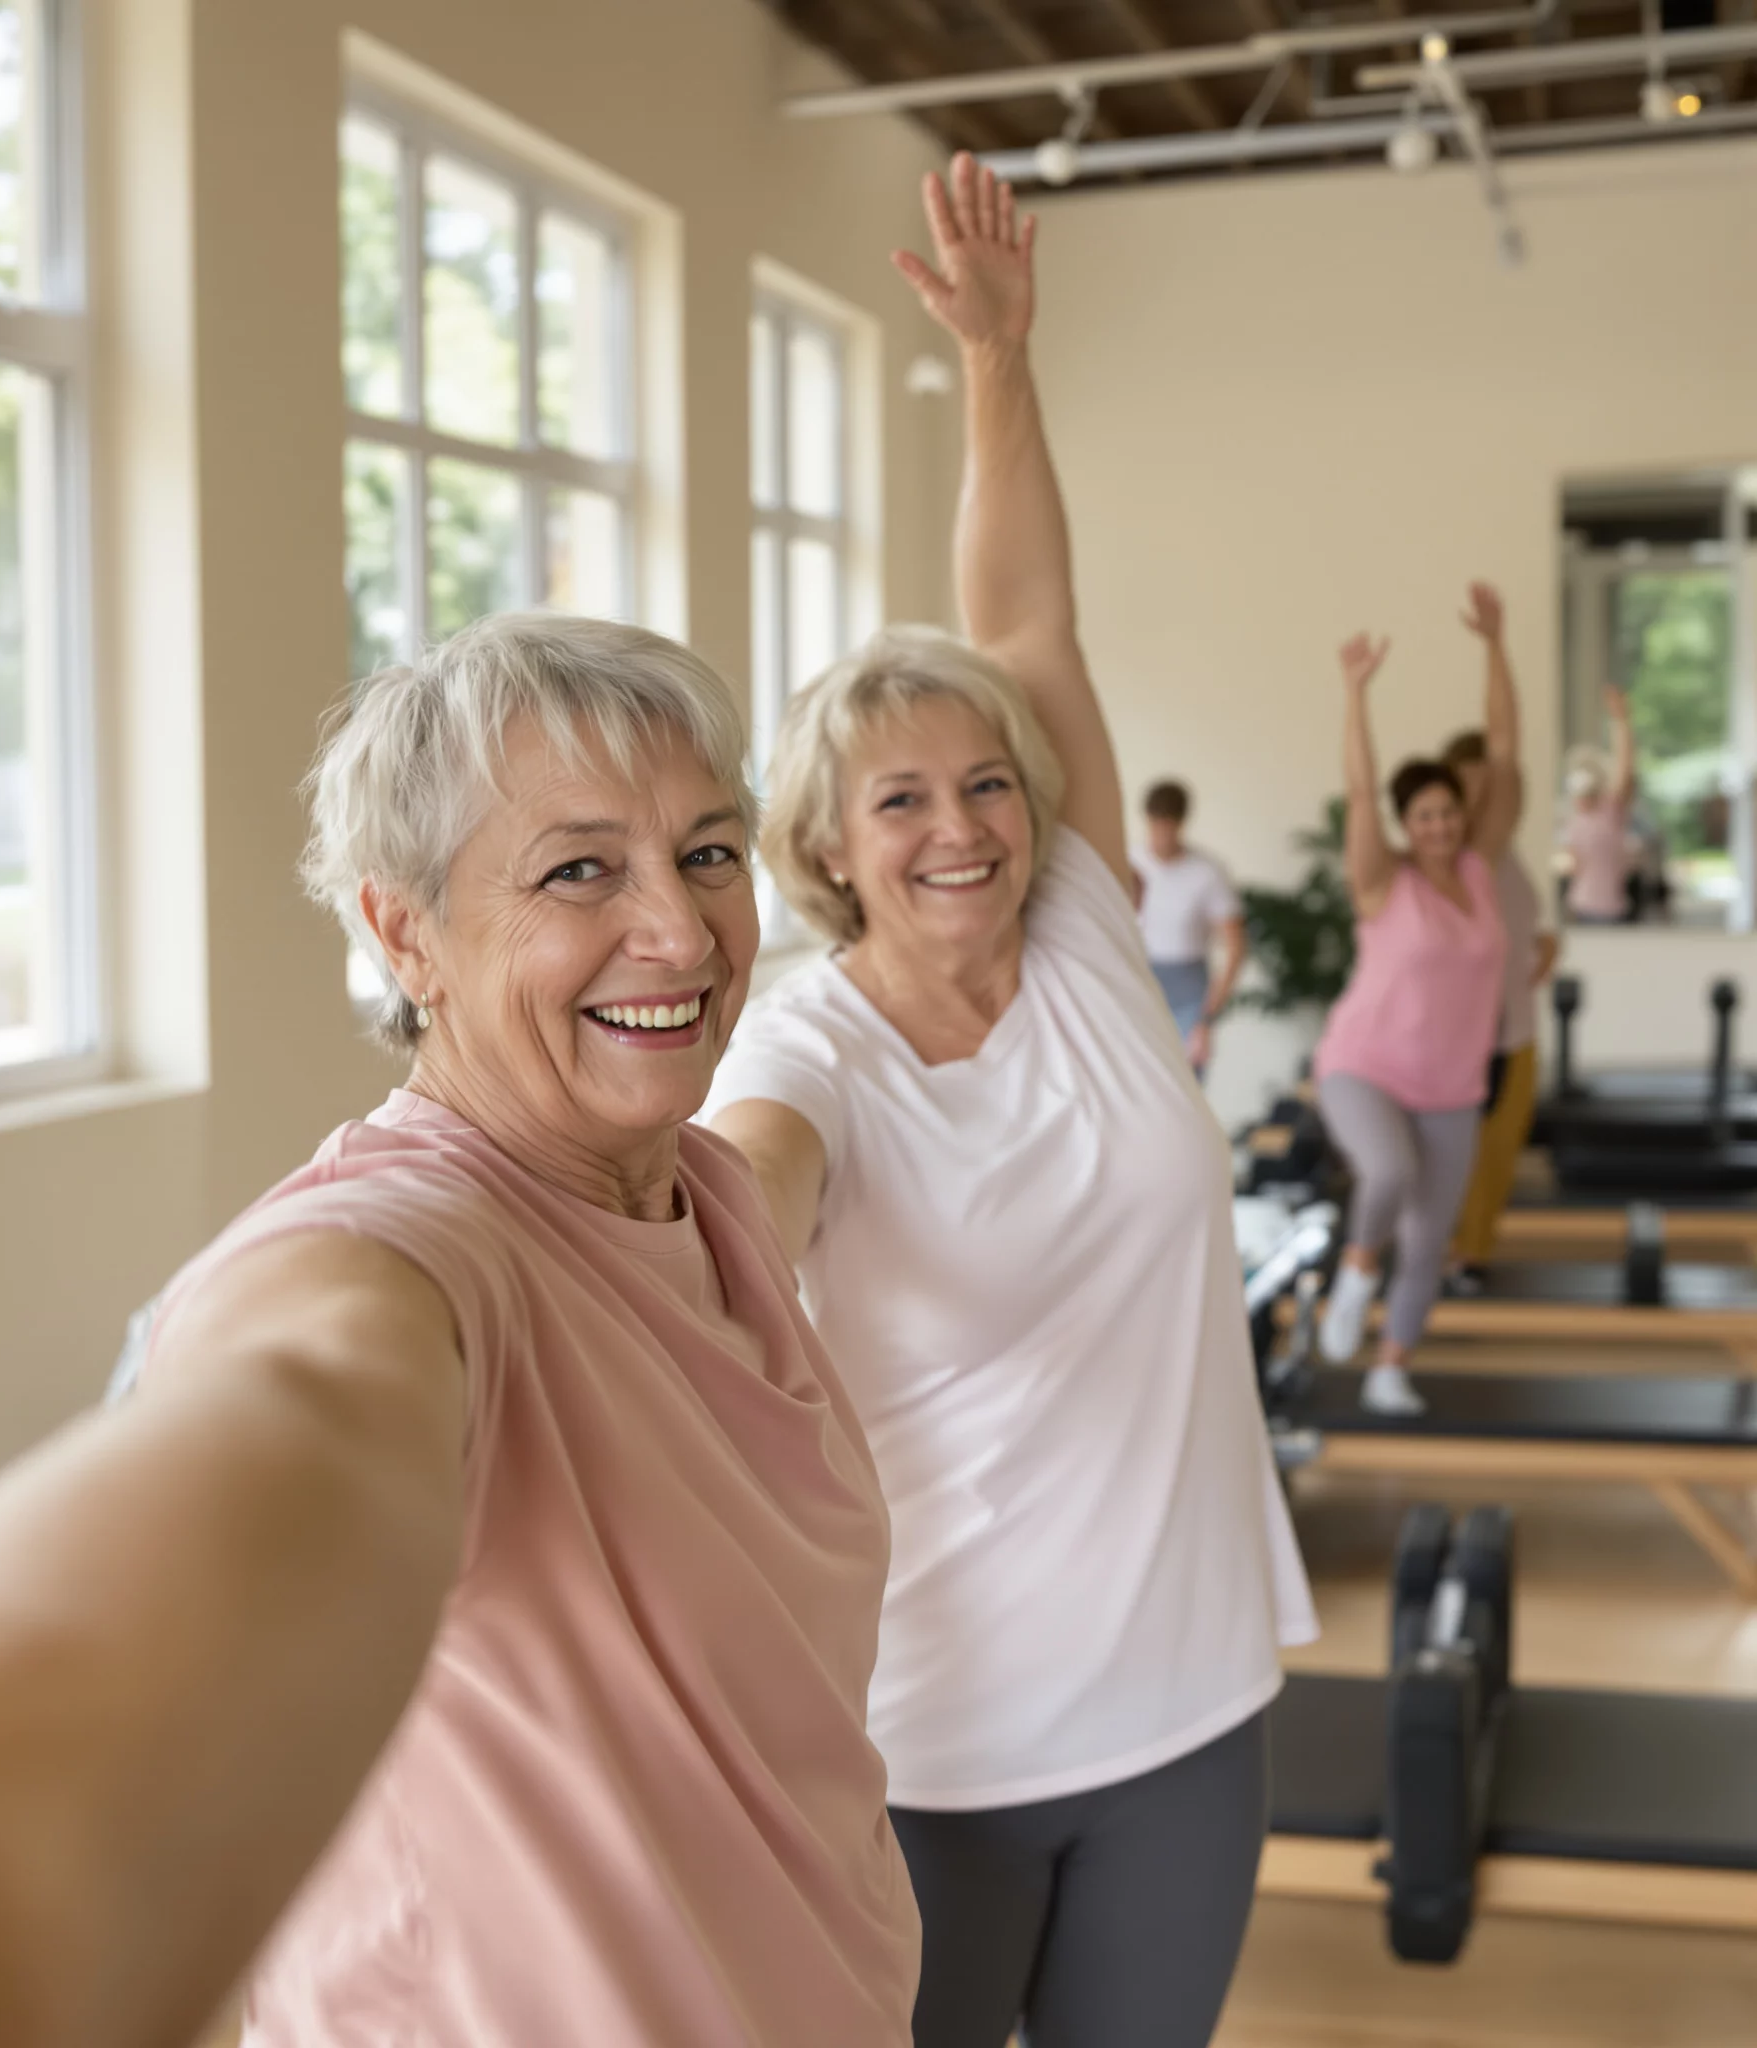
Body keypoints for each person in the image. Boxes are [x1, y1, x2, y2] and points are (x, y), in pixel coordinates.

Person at [0, 615, 920, 2048]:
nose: (678, 929)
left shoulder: (705, 1194)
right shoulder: (402, 1254)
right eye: (578, 869)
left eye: (707, 852)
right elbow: (304, 1407)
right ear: (406, 933)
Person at [705, 154, 1315, 2048]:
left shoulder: (1086, 931)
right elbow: (749, 1189)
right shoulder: (803, 1050)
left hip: (1187, 1706)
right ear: (827, 843)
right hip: (930, 1740)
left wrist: (997, 360)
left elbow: (1029, 614)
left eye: (984, 783)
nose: (958, 825)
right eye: (898, 799)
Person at [1313, 587, 1521, 1414]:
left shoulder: (1478, 870)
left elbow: (1503, 750)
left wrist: (1495, 646)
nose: (1439, 825)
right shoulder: (1382, 882)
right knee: (1388, 1172)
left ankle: (1390, 1366)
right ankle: (1357, 1268)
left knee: (1432, 1237)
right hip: (1364, 1067)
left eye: (1448, 813)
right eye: (1424, 816)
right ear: (1407, 823)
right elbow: (1360, 792)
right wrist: (1355, 694)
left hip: (1453, 1087)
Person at [1440, 726, 1558, 1290]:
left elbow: (1522, 922)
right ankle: (1455, 1255)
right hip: (1468, 1037)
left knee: (1500, 1153)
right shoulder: (1454, 862)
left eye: (1490, 788)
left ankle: (1473, 1252)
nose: (1483, 800)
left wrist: (1545, 945)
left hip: (1518, 1028)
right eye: (1470, 788)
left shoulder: (1505, 855)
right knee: (1467, 1154)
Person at [1130, 779, 1248, 1077]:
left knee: (1185, 1085)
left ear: (1181, 824)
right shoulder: (1130, 863)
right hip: (1139, 989)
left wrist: (1206, 1021)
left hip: (1189, 997)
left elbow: (1235, 948)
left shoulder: (1207, 872)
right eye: (1156, 826)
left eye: (1168, 827)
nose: (1161, 837)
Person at [1563, 688, 1637, 924]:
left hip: (1610, 909)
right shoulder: (1575, 822)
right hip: (1581, 906)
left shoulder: (1608, 812)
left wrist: (1621, 720)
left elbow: (1625, 768)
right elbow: (1576, 865)